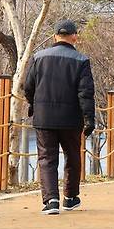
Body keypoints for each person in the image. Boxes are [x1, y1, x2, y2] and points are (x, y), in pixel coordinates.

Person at [23, 19, 95, 215]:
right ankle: (70, 198)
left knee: (46, 158)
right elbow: (85, 93)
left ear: (55, 36)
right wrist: (89, 119)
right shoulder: (81, 60)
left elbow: (28, 87)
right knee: (72, 156)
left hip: (44, 117)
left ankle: (51, 201)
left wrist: (34, 105)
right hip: (71, 119)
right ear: (74, 37)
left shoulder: (39, 57)